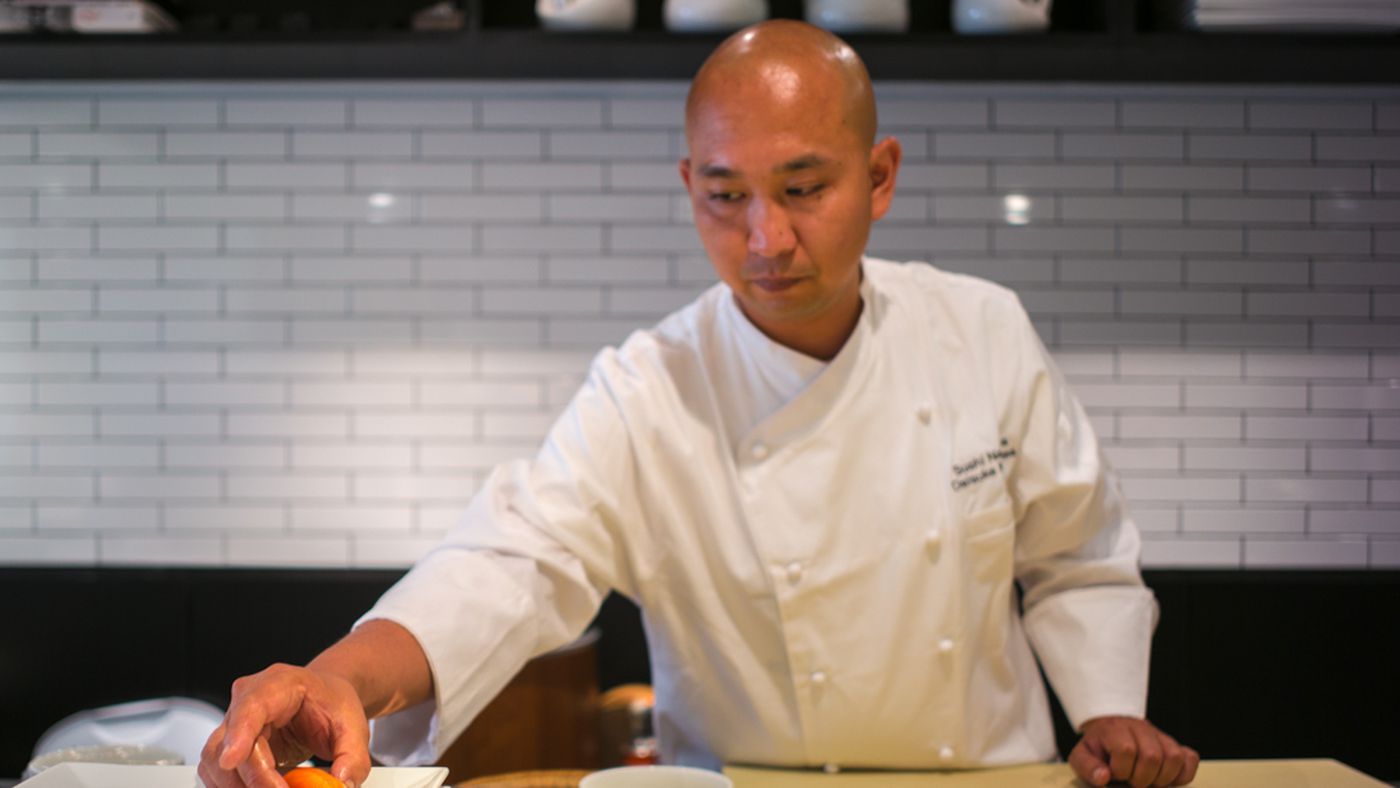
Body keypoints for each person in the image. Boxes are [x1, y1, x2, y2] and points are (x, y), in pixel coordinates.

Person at [198, 20, 1200, 788]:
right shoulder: (647, 386)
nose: (764, 238)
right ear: (687, 185)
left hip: (986, 778)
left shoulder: (979, 330)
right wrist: (339, 675)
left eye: (803, 186)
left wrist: (1108, 706)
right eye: (725, 195)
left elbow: (1077, 557)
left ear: (878, 176)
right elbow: (508, 560)